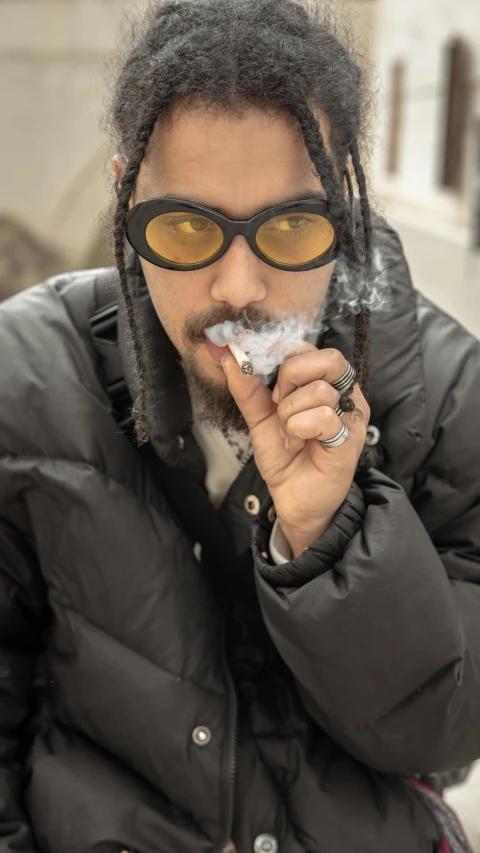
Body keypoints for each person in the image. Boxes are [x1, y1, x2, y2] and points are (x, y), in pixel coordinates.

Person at [0, 1, 479, 851]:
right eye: (185, 228)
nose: (239, 287)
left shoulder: (445, 397)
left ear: (346, 206)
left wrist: (335, 533)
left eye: (292, 226)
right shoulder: (29, 376)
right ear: (126, 200)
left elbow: (443, 733)